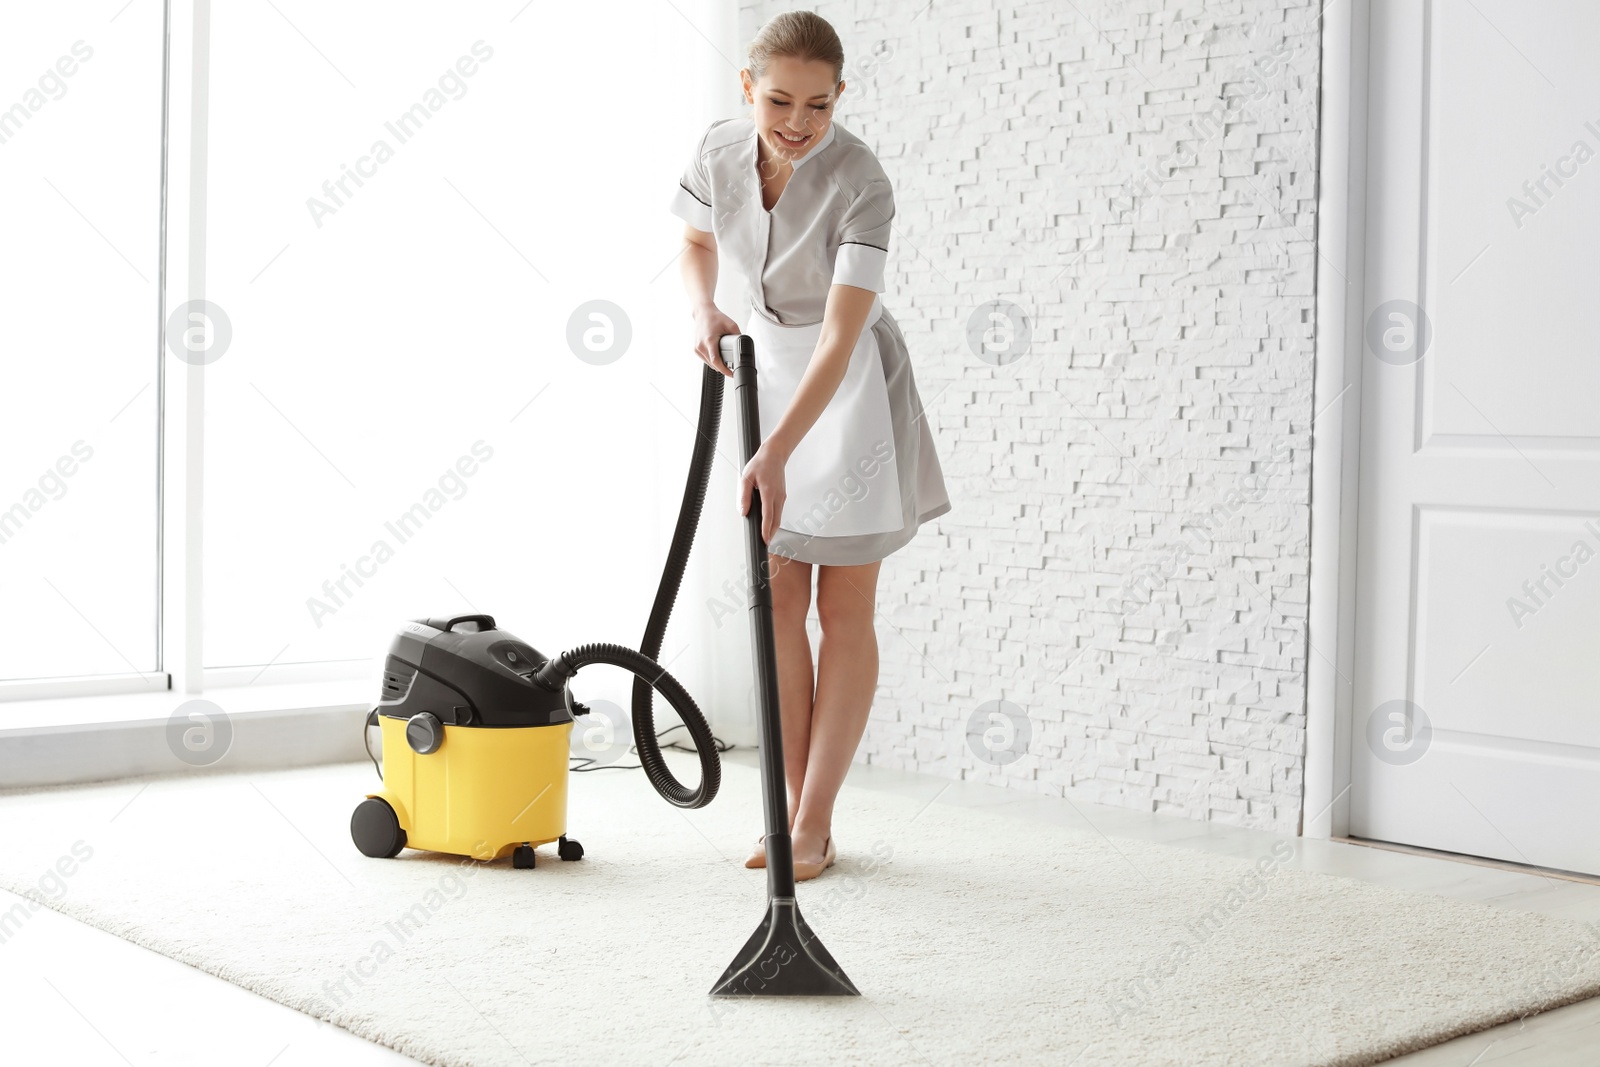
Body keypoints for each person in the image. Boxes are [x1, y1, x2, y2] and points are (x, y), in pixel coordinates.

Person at [670, 10, 951, 881]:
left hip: (851, 383)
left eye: (818, 106)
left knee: (843, 610)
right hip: (768, 374)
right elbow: (692, 239)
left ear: (839, 99)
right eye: (781, 100)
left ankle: (817, 821)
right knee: (777, 601)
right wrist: (705, 307)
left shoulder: (862, 180)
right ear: (748, 89)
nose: (798, 122)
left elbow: (838, 337)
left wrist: (779, 451)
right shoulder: (718, 151)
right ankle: (790, 815)